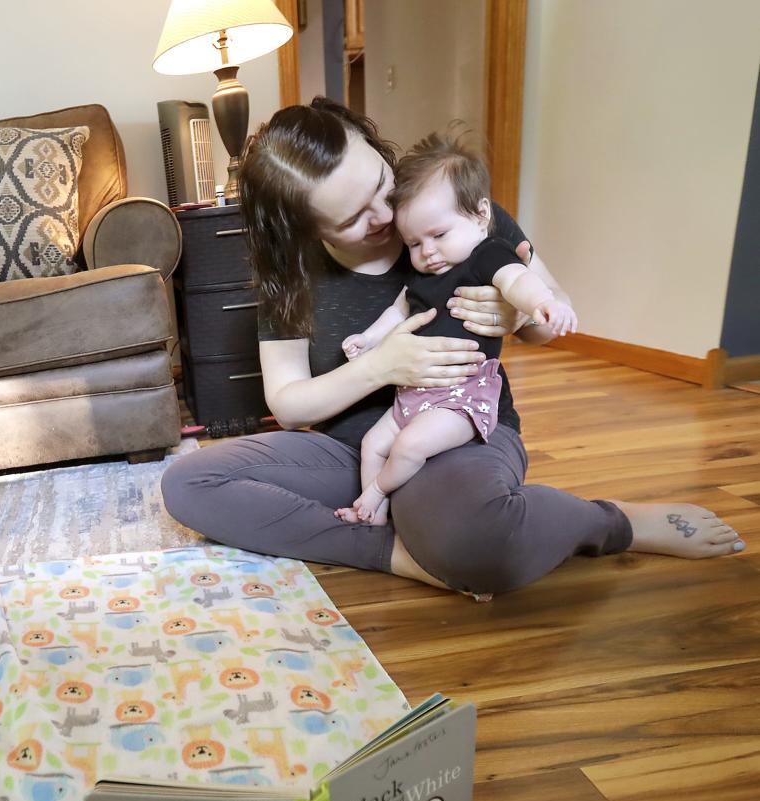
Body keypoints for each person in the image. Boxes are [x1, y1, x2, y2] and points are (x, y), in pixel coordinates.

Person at [160, 97, 744, 597]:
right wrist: (381, 365)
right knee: (188, 484)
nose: (386, 215)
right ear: (309, 230)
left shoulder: (453, 215)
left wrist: (514, 311)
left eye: (381, 187)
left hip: (457, 434)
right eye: (354, 218)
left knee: (478, 544)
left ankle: (609, 523)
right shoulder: (290, 275)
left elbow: (549, 315)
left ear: (371, 141)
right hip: (353, 458)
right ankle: (401, 554)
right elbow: (288, 405)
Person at [337, 130, 577, 526]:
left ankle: (374, 494)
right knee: (373, 444)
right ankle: (376, 515)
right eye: (414, 243)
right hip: (412, 394)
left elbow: (518, 281)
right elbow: (398, 312)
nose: (427, 252)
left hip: (462, 397)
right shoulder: (424, 276)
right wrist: (368, 339)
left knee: (410, 446)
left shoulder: (486, 256)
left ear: (481, 215)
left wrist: (543, 304)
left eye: (439, 235)